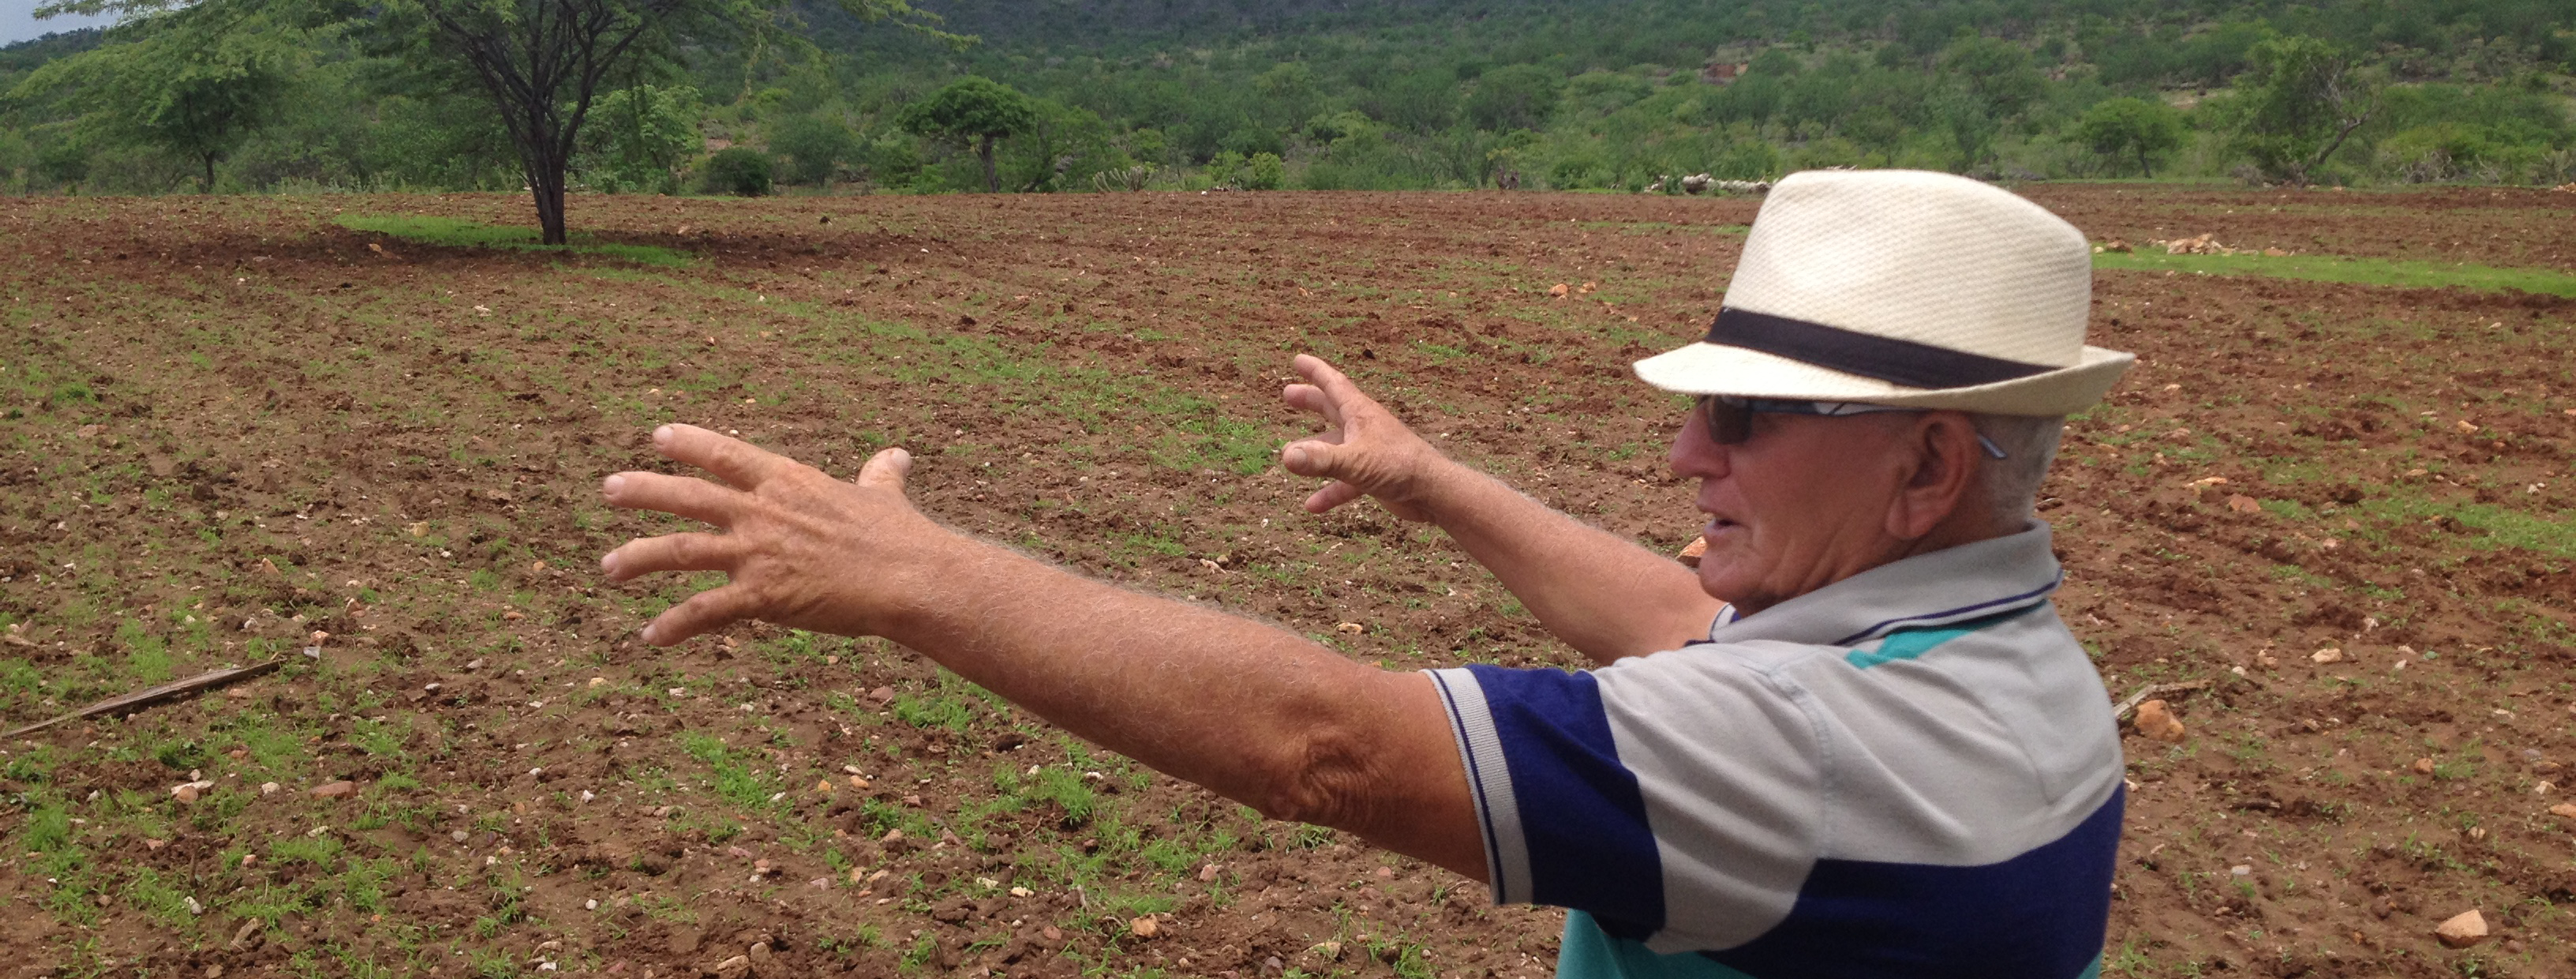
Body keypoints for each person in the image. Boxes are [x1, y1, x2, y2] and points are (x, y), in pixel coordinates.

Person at [597, 169, 2135, 977]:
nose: (1684, 459)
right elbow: (1683, 621)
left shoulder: (1807, 751)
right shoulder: (2013, 667)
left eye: (1737, 414)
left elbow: (1322, 744)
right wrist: (1432, 480)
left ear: (1928, 466)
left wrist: (917, 572)